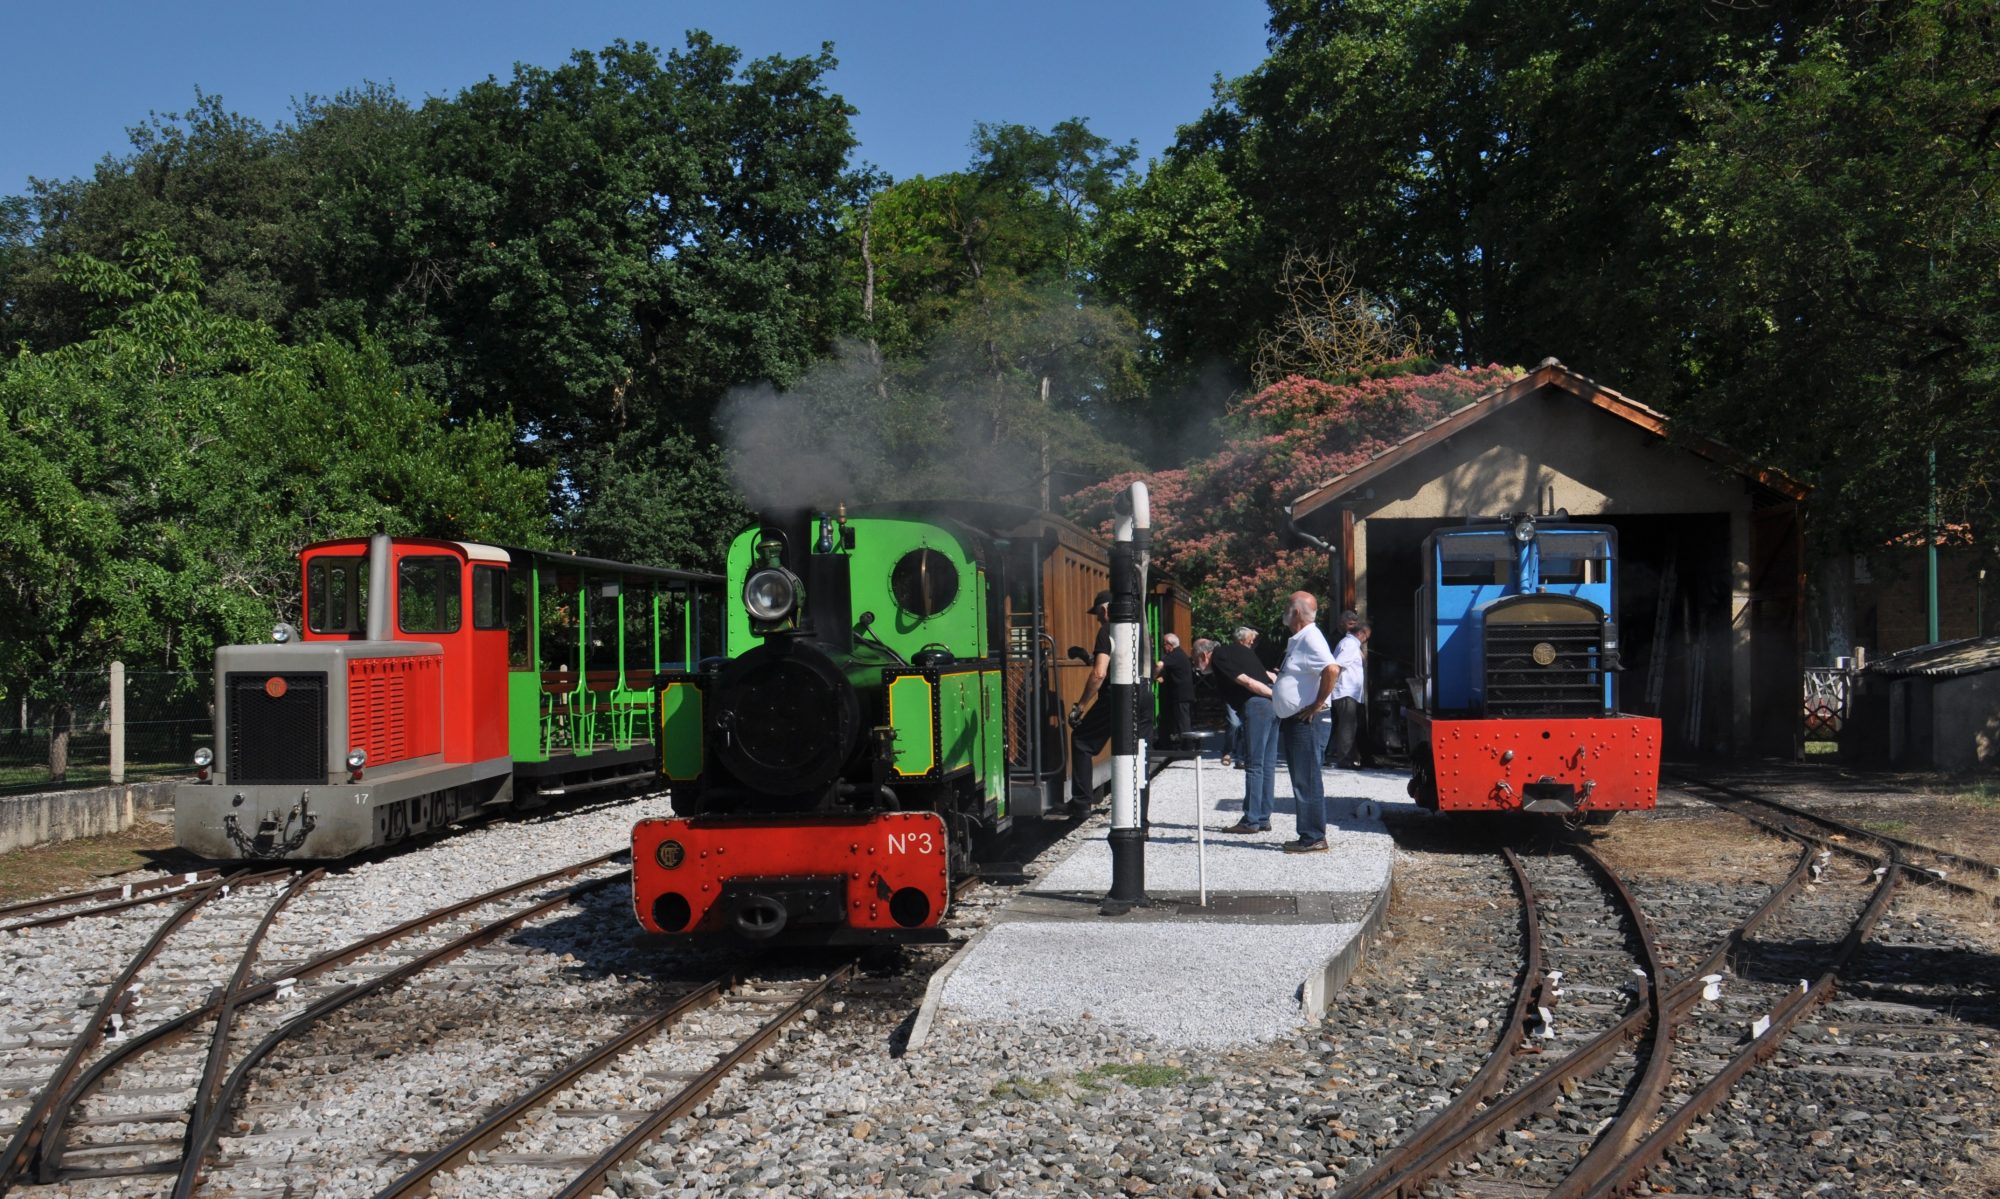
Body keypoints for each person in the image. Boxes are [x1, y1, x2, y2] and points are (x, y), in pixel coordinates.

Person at [1271, 591, 1337, 853]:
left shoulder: (1310, 637)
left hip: (1307, 721)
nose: (1284, 609)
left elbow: (1332, 669)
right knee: (1302, 778)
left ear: (1296, 611)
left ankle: (1313, 836)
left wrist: (1317, 703)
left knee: (1306, 779)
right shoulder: (1300, 638)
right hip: (1297, 720)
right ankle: (1309, 834)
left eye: (1288, 604)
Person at [1209, 626, 1277, 833]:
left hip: (1258, 705)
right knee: (1267, 764)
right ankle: (1263, 817)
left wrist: (1273, 696)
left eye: (1196, 660)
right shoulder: (1244, 652)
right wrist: (1277, 699)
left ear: (1204, 653)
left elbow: (1247, 682)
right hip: (1272, 707)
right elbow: (1268, 676)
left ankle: (1251, 820)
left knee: (1254, 764)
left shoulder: (1219, 656)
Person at [1067, 590, 1116, 810]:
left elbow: (1099, 674)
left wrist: (1080, 706)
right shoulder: (1138, 630)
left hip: (1113, 698)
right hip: (1140, 697)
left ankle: (1081, 803)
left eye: (1097, 612)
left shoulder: (1106, 630)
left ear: (1105, 609)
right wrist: (1086, 656)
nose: (1097, 618)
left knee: (1081, 741)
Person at [1327, 619, 1370, 769]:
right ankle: (1344, 760)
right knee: (1347, 726)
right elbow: (1337, 665)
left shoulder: (1350, 644)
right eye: (1366, 636)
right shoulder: (1350, 645)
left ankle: (1350, 757)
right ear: (1361, 633)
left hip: (1350, 692)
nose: (1366, 640)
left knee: (1350, 725)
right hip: (1346, 691)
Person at [1153, 633, 1194, 746]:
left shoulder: (1175, 655)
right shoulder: (1180, 655)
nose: (1163, 648)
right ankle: (1166, 743)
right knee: (1174, 720)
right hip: (1179, 694)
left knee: (1183, 722)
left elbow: (1159, 664)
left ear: (1169, 645)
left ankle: (1188, 747)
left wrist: (1153, 676)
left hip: (1180, 695)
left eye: (1163, 645)